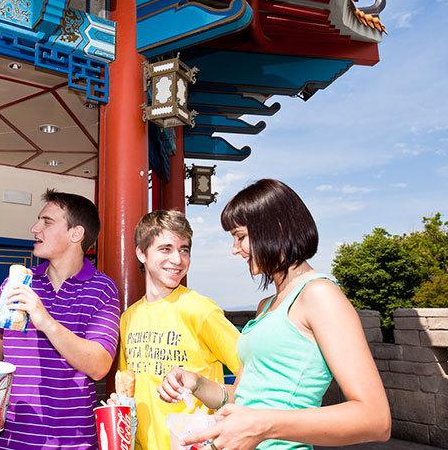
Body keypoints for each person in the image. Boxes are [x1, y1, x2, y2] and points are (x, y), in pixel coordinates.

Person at [161, 179, 390, 450]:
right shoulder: (266, 306)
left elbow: (375, 419)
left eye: (240, 236)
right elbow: (242, 400)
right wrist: (197, 383)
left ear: (276, 228)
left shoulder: (319, 295)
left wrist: (262, 425)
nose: (235, 249)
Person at [0, 190, 121, 449]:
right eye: (38, 220)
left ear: (76, 234)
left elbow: (99, 365)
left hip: (72, 442)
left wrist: (45, 320)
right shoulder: (13, 284)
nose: (34, 228)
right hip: (5, 439)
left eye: (47, 222)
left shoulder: (103, 289)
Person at [117, 210, 242, 450]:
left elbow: (252, 372)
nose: (178, 259)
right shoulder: (128, 317)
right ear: (141, 253)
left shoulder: (201, 309)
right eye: (166, 249)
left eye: (184, 249)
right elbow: (129, 390)